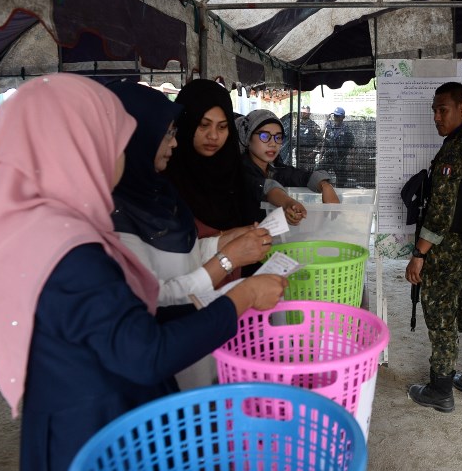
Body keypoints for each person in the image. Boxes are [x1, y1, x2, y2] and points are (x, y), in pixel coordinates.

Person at [0, 73, 287, 471]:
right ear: (83, 146)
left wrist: (223, 295)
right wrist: (240, 298)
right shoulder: (71, 249)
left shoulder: (44, 225)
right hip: (93, 432)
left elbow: (130, 319)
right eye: (116, 135)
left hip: (91, 413)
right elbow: (145, 351)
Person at [108, 81, 272, 390]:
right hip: (170, 347)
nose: (174, 143)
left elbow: (185, 253)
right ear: (135, 138)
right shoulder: (113, 215)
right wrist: (228, 260)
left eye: (223, 127)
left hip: (204, 327)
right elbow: (153, 297)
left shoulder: (158, 191)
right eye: (168, 133)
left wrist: (224, 241)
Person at [405, 81, 462, 413]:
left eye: (443, 109)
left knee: (442, 317)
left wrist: (419, 254)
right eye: (434, 110)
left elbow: (441, 209)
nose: (436, 116)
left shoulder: (456, 148)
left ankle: (440, 388)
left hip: (446, 247)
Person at [165, 80, 303, 236]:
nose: (213, 135)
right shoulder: (165, 176)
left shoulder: (232, 171)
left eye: (222, 126)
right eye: (203, 124)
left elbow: (260, 186)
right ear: (186, 123)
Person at [237, 109, 340, 224]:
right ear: (247, 137)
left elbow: (301, 176)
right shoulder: (238, 170)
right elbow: (264, 186)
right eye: (265, 136)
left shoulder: (276, 169)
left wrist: (325, 185)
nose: (273, 143)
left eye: (278, 137)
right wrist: (288, 203)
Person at [319, 106, 354, 187]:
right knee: (320, 174)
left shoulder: (347, 130)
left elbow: (352, 147)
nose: (336, 118)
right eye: (335, 116)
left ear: (343, 117)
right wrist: (321, 155)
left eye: (338, 116)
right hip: (329, 157)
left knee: (341, 181)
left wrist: (351, 161)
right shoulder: (330, 128)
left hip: (341, 159)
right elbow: (324, 142)